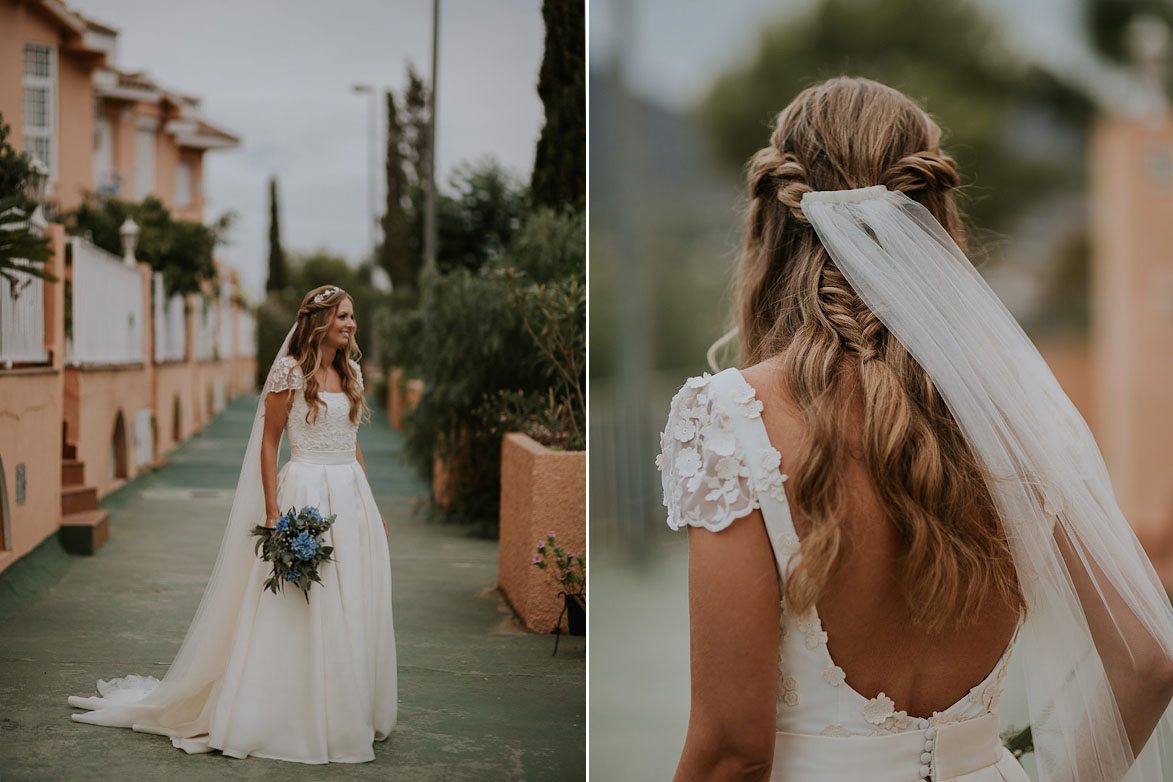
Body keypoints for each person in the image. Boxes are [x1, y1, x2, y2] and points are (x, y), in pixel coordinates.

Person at [657, 77, 1173, 781]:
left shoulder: (730, 417)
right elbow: (1148, 660)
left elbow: (731, 752)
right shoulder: (1012, 414)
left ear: (771, 224)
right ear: (933, 219)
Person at [69, 285, 397, 764]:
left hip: (351, 495)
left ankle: (348, 709)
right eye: (343, 316)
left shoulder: (350, 371)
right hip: (305, 490)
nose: (351, 324)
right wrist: (272, 509)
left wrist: (371, 502)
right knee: (306, 606)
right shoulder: (290, 371)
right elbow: (269, 443)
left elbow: (352, 441)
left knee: (352, 601)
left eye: (352, 317)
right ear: (320, 320)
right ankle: (294, 713)